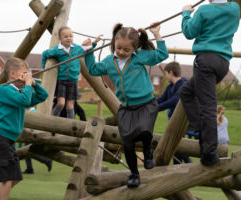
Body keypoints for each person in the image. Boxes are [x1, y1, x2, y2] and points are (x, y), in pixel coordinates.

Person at [84, 22, 168, 187]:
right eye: (118, 48)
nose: (121, 52)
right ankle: (134, 174)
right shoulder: (109, 62)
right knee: (127, 142)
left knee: (144, 131)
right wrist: (90, 50)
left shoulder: (140, 57)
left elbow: (162, 54)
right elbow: (93, 69)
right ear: (114, 44)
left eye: (126, 50)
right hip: (127, 108)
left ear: (134, 50)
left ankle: (147, 152)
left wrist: (157, 34)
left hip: (146, 104)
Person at [180, 0, 239, 166]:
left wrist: (186, 13)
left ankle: (209, 152)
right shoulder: (234, 9)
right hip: (223, 64)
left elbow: (189, 32)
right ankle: (199, 129)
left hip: (205, 60)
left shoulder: (204, 10)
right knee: (186, 92)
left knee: (208, 105)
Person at [0, 57, 48, 200]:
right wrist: (28, 84)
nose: (26, 75)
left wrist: (34, 84)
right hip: (0, 139)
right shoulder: (5, 89)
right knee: (7, 178)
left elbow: (43, 95)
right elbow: (25, 101)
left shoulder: (20, 91)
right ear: (12, 74)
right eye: (24, 72)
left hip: (8, 141)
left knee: (16, 177)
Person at [42, 26, 100, 120]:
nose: (69, 38)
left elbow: (88, 48)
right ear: (60, 38)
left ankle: (70, 124)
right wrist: (44, 67)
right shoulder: (57, 50)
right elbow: (45, 54)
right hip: (61, 80)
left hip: (73, 80)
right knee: (61, 103)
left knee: (70, 105)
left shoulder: (76, 48)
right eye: (66, 36)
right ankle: (53, 120)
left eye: (70, 36)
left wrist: (95, 42)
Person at [157, 61, 191, 164]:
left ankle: (190, 166)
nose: (166, 76)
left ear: (171, 73)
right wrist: (149, 104)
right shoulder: (170, 87)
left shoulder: (183, 85)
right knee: (177, 151)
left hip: (183, 123)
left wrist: (156, 108)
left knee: (179, 148)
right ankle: (180, 169)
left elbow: (175, 101)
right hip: (174, 121)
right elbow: (161, 99)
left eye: (166, 74)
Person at [22, 107, 52, 174]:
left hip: (31, 136)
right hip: (31, 135)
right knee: (26, 152)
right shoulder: (32, 112)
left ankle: (46, 161)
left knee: (27, 152)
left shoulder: (31, 113)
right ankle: (29, 169)